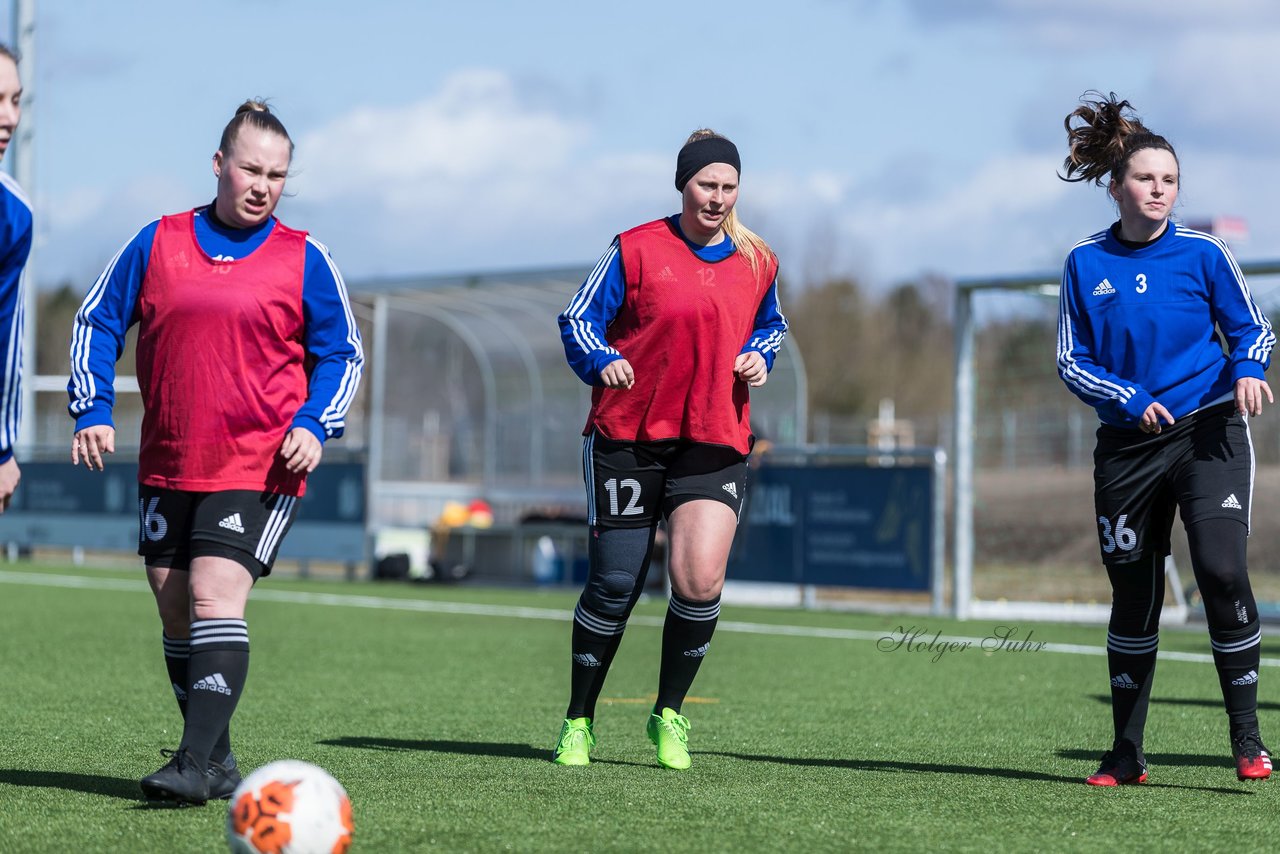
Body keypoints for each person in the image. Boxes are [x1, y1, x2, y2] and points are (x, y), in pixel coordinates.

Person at [68, 100, 364, 805]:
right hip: (168, 459)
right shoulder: (158, 241)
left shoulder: (305, 257)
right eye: (251, 169)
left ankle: (193, 762)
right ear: (219, 166)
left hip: (259, 465)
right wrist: (93, 407)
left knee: (212, 595)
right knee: (174, 610)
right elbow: (97, 319)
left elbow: (342, 354)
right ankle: (221, 760)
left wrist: (314, 424)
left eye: (278, 175)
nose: (263, 185)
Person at [1057, 92, 1275, 786]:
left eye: (1170, 180)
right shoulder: (1084, 263)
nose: (1160, 190)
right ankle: (1126, 753)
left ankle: (1248, 740)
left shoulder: (1206, 254)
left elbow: (1251, 329)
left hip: (1210, 428)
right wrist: (1129, 398)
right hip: (1128, 447)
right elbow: (1071, 359)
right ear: (1116, 186)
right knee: (1135, 596)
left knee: (1220, 571)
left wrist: (1246, 371)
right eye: (1147, 179)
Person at [554, 129, 787, 770]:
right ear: (683, 184)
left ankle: (670, 714)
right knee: (614, 585)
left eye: (729, 187)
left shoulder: (758, 258)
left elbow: (771, 323)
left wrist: (759, 355)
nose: (717, 197)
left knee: (699, 577)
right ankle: (579, 720)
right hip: (629, 438)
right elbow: (577, 320)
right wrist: (602, 360)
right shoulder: (634, 248)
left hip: (714, 438)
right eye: (707, 184)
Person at [0, 43, 30, 512]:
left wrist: (2, 448)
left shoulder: (12, 213)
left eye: (16, 100)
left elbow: (6, 339)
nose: (8, 117)